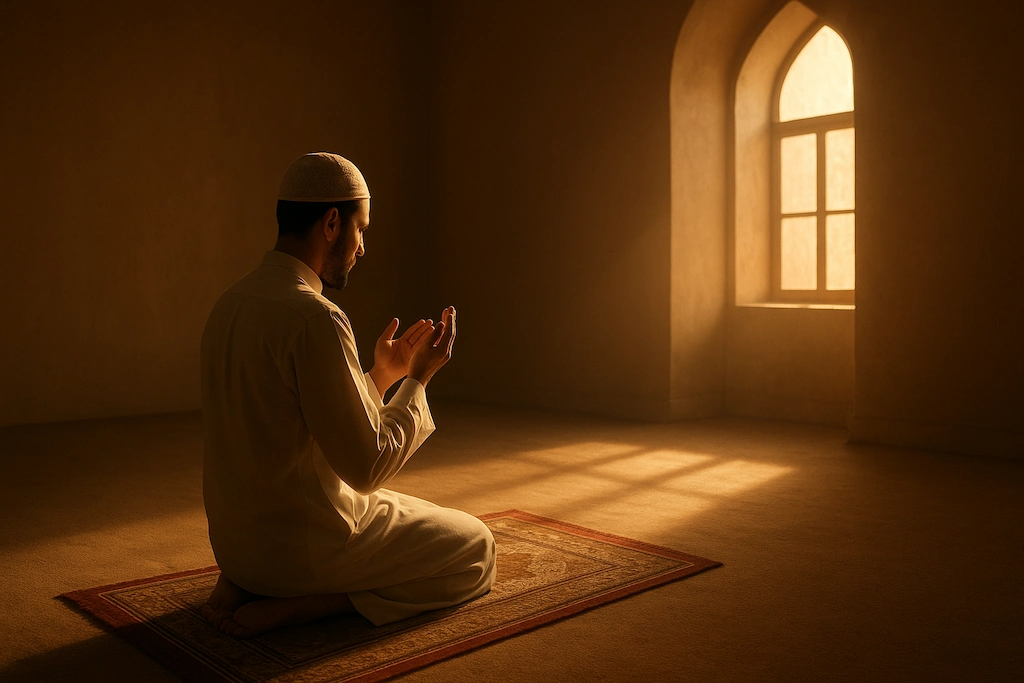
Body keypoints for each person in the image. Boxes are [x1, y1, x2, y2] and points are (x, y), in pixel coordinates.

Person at [199, 152, 495, 638]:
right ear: (332, 223)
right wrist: (419, 380)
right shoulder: (315, 317)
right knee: (477, 548)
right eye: (362, 229)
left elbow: (301, 423)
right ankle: (311, 604)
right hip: (302, 551)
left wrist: (383, 373)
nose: (363, 248)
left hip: (236, 548)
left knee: (422, 516)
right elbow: (365, 468)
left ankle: (251, 584)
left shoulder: (231, 304)